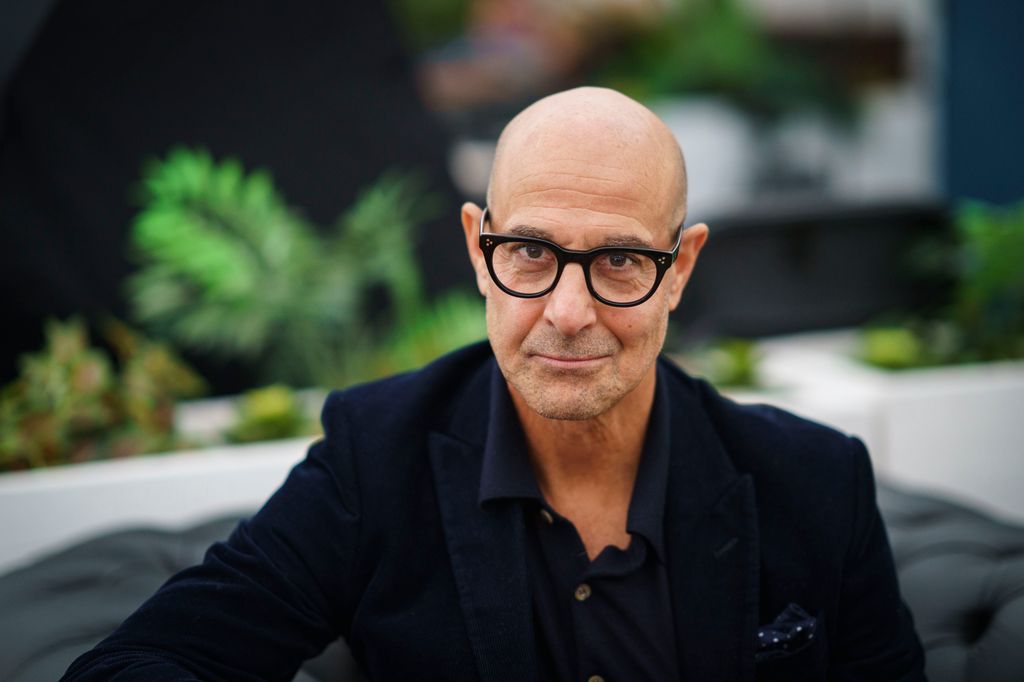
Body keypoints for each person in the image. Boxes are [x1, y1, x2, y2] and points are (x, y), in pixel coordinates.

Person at [63, 87, 925, 681]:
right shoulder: (376, 457)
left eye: (620, 260)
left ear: (680, 268)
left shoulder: (818, 483)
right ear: (480, 251)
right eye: (531, 254)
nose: (567, 311)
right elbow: (139, 663)